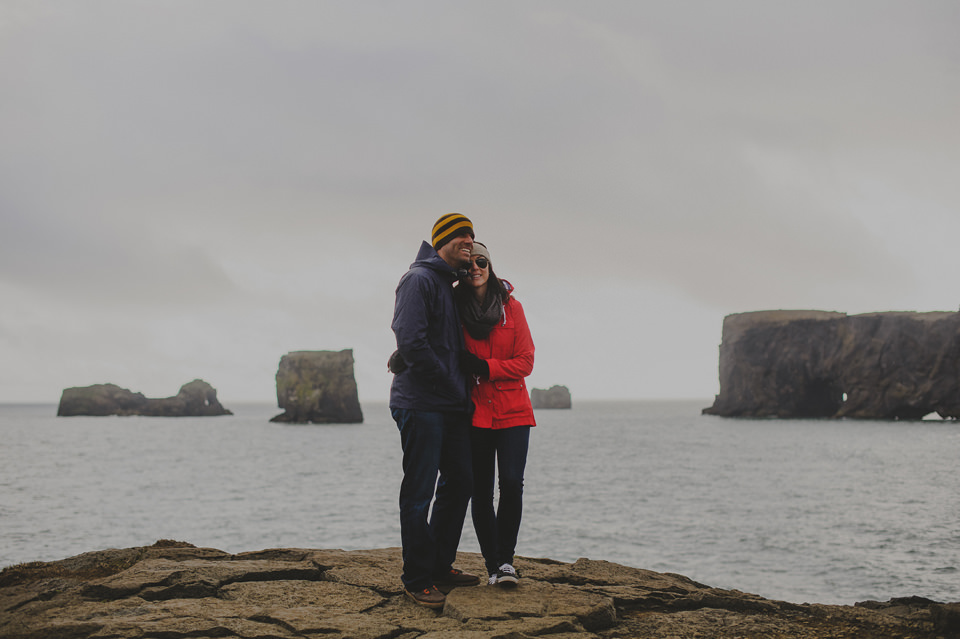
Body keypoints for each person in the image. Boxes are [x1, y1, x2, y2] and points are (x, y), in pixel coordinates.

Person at [389, 213, 481, 609]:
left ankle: (440, 564)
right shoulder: (419, 280)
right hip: (421, 403)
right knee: (418, 492)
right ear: (442, 239)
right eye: (462, 235)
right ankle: (417, 578)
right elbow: (411, 339)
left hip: (450, 405)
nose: (469, 242)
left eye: (472, 237)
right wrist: (447, 382)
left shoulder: (451, 282)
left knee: (461, 482)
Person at [455, 242, 536, 586]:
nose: (476, 267)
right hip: (476, 413)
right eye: (470, 262)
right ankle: (492, 566)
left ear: (490, 265)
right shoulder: (455, 310)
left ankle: (506, 562)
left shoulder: (512, 308)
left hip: (514, 411)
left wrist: (486, 367)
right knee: (481, 492)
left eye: (482, 261)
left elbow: (526, 361)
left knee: (512, 485)